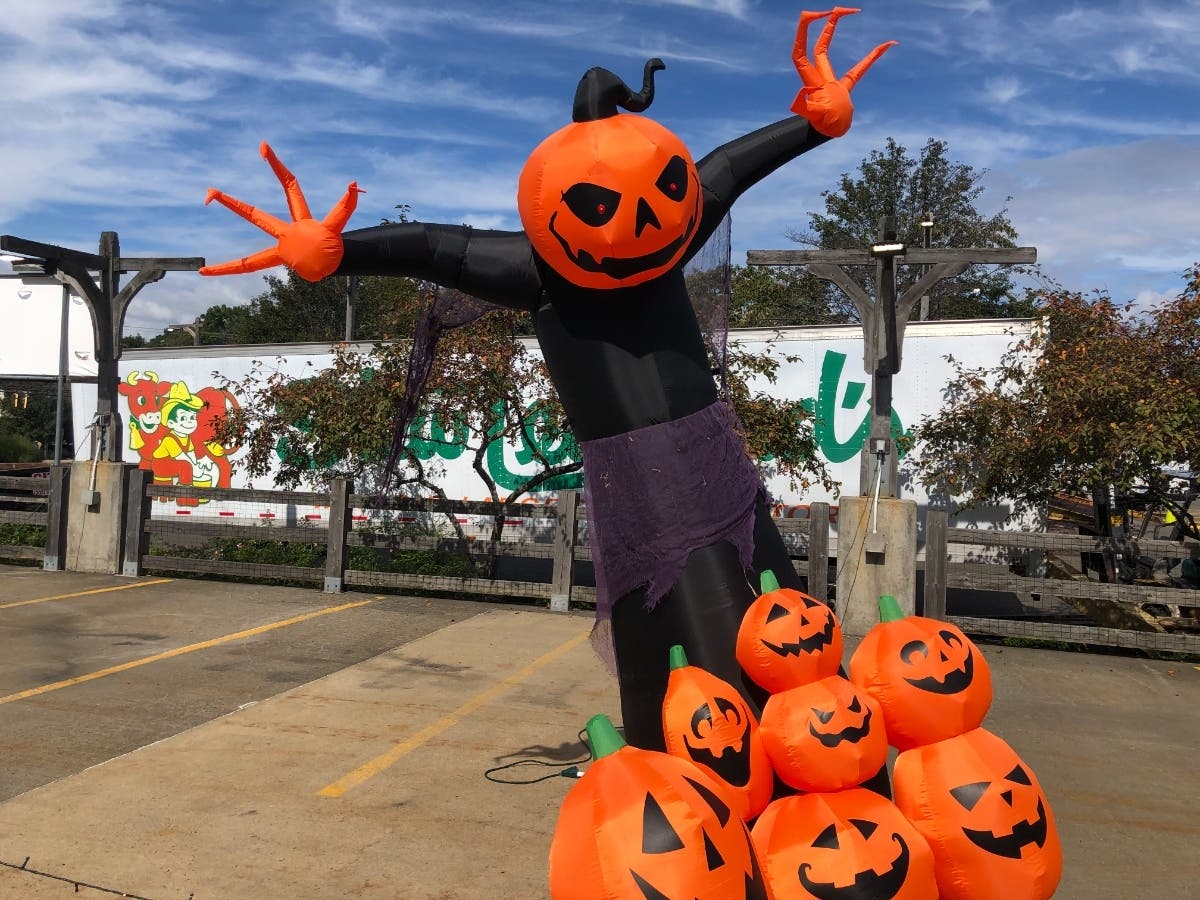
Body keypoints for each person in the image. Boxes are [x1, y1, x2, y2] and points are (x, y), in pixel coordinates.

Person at [201, 8, 895, 750]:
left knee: (766, 604)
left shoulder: (676, 221)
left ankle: (810, 750)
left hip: (714, 469)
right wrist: (336, 252)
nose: (635, 221)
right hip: (638, 488)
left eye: (664, 190)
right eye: (598, 206)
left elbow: (727, 167)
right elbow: (433, 247)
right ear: (553, 207)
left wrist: (814, 124)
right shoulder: (538, 271)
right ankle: (691, 762)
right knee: (670, 628)